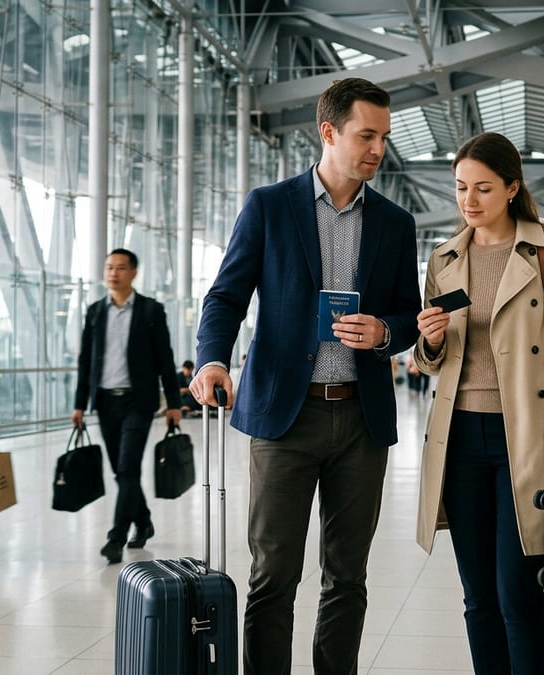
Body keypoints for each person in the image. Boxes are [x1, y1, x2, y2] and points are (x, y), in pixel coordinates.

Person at [189, 77, 421, 675]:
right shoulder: (270, 206)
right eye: (366, 136)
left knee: (347, 575)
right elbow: (226, 296)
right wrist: (212, 359)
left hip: (362, 419)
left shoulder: (395, 223)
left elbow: (408, 314)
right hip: (284, 417)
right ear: (329, 132)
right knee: (273, 573)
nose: (377, 149)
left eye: (383, 137)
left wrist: (385, 331)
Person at [414, 132, 544, 675]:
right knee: (478, 596)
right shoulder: (444, 258)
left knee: (518, 592)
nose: (469, 200)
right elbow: (432, 359)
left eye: (483, 188)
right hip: (459, 437)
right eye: (461, 187)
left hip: (526, 437)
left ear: (512, 188)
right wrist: (430, 341)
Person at [72, 249, 183, 564]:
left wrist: (174, 403)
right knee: (121, 472)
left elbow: (165, 359)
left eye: (120, 268)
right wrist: (79, 403)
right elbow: (85, 361)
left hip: (139, 401)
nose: (113, 273)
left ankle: (116, 537)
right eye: (109, 267)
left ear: (133, 272)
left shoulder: (150, 310)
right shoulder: (95, 312)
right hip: (105, 401)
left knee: (127, 467)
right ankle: (143, 521)